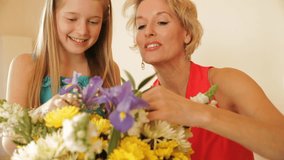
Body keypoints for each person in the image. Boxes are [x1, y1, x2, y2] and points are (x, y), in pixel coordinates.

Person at [123, 0, 284, 160]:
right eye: (141, 26)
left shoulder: (227, 81)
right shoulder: (143, 106)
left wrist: (199, 113)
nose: (148, 32)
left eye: (161, 22)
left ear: (187, 33)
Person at [2, 0, 120, 155]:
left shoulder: (109, 71)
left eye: (93, 22)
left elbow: (118, 141)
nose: (82, 30)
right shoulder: (25, 66)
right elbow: (9, 145)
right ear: (51, 16)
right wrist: (42, 112)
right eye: (71, 19)